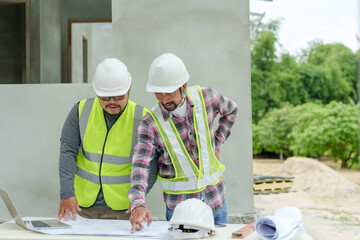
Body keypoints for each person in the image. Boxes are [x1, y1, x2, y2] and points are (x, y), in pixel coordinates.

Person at [128, 53, 238, 233]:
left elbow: (232, 111)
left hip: (215, 202)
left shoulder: (207, 97)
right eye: (158, 93)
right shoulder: (150, 123)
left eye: (169, 92)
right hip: (180, 211)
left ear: (183, 86)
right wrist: (138, 203)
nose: (163, 99)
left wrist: (217, 144)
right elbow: (140, 165)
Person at [58, 58, 146, 221]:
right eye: (105, 97)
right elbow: (67, 152)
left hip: (124, 209)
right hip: (82, 206)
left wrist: (139, 199)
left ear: (129, 88)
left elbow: (150, 163)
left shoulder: (142, 117)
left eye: (118, 96)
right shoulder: (81, 111)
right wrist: (66, 193)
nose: (112, 102)